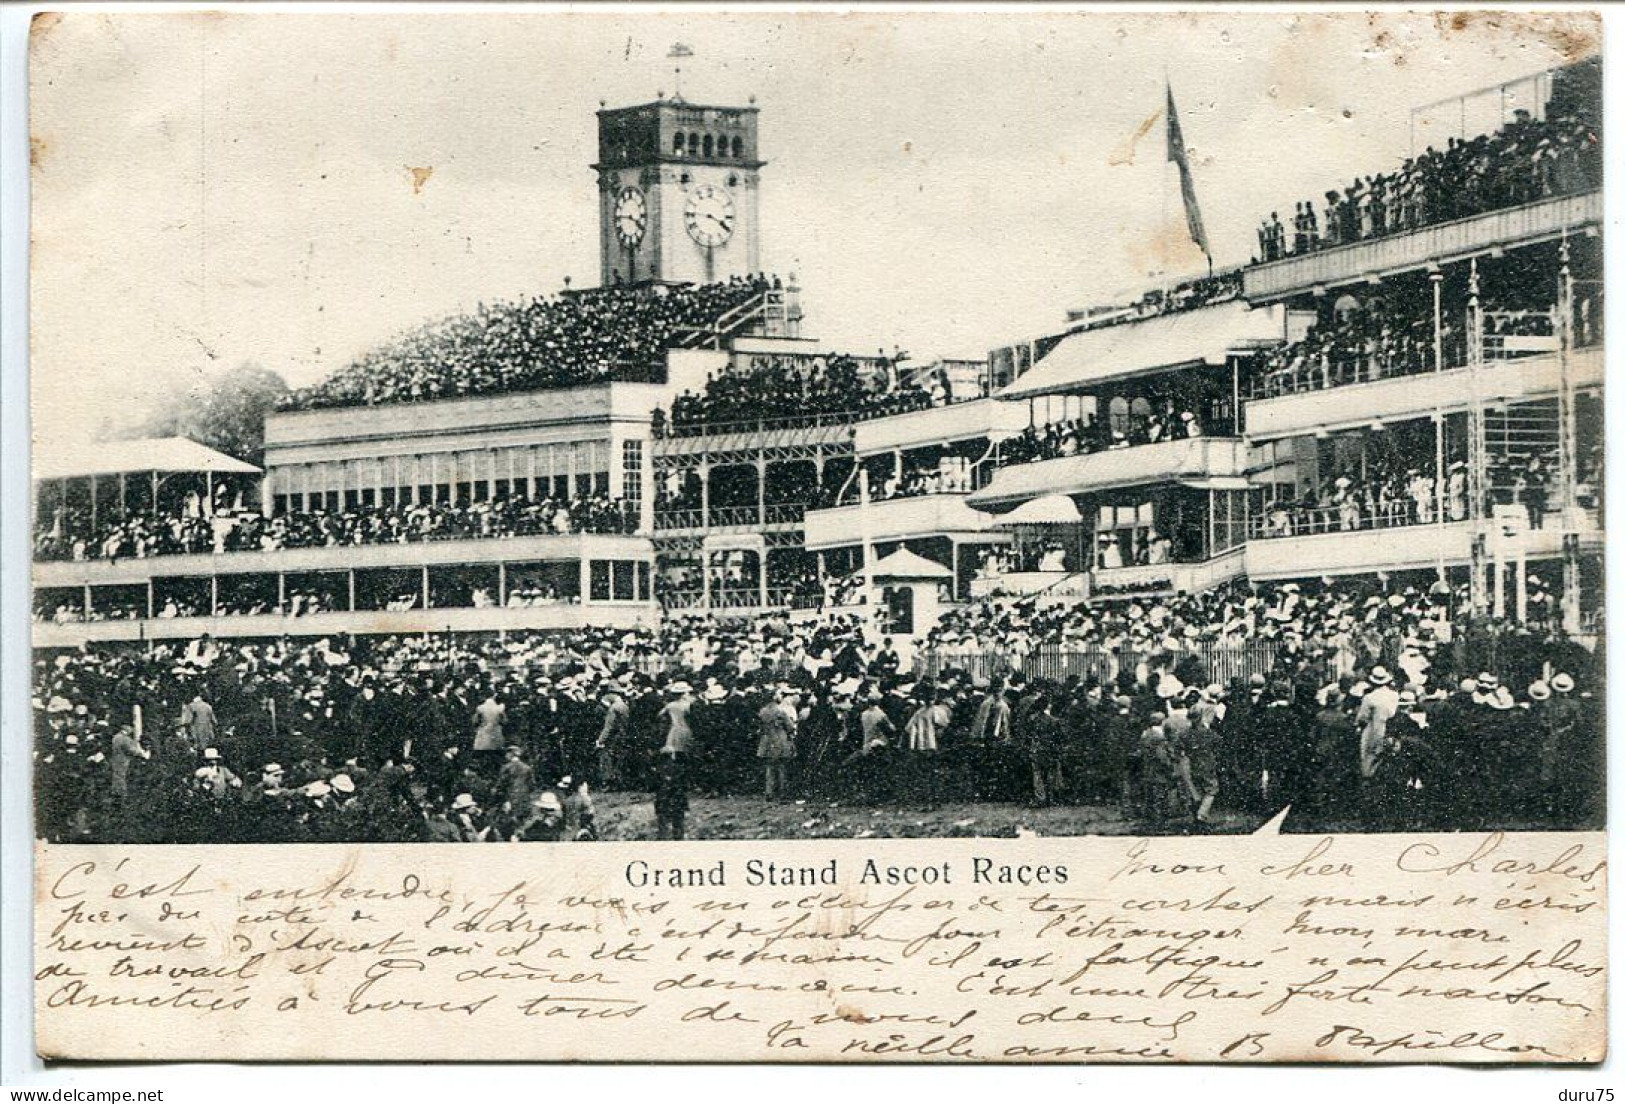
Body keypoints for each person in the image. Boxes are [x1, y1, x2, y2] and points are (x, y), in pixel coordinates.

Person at [756, 687, 797, 799]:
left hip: (767, 740)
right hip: (780, 739)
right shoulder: (780, 711)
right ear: (774, 697)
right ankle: (783, 792)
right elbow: (790, 727)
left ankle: (769, 792)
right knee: (782, 767)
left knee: (769, 767)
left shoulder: (762, 711)